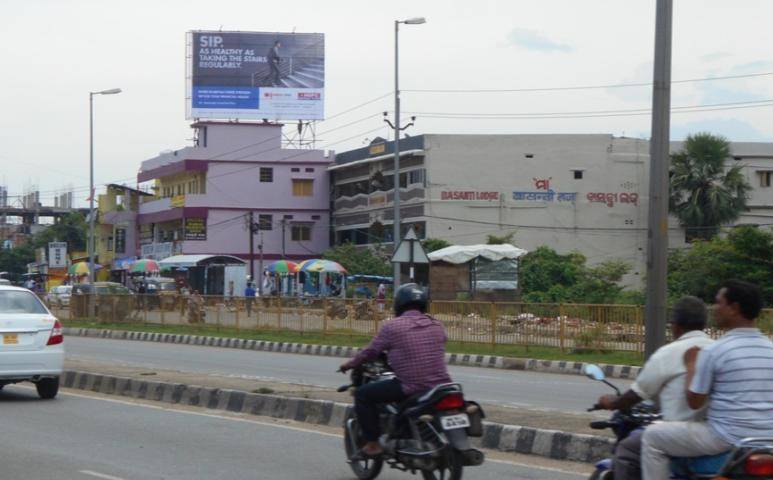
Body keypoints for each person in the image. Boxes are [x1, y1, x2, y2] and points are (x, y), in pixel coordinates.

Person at [642, 280, 773, 480]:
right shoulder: (769, 349)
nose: (714, 309)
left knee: (651, 437)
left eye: (719, 303)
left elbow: (695, 402)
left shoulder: (715, 350)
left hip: (724, 437)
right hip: (766, 438)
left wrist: (692, 364)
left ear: (734, 308)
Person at [595, 296, 714, 480]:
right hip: (717, 433)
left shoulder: (670, 352)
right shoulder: (717, 349)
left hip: (682, 433)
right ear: (704, 323)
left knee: (627, 450)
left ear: (675, 325)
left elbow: (637, 394)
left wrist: (613, 402)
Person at [339, 283, 452, 459]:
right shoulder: (436, 324)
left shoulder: (392, 327)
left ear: (398, 304)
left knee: (362, 395)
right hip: (442, 385)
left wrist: (349, 364)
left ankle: (372, 444)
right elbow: (441, 341)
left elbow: (371, 352)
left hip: (411, 386)